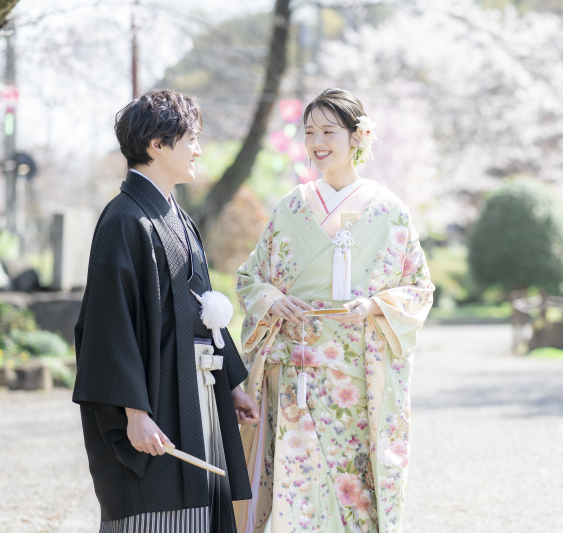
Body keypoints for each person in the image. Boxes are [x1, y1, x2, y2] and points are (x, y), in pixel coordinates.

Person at [234, 88, 434, 533]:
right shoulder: (291, 207)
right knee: (297, 485)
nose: (317, 141)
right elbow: (250, 278)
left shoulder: (390, 212)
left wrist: (375, 306)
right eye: (309, 132)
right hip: (296, 373)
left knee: (352, 490)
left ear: (357, 136)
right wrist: (273, 299)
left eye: (329, 131)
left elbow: (419, 289)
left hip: (358, 378)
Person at [72, 89, 260, 533]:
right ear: (157, 145)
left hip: (196, 388)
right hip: (155, 394)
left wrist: (228, 383)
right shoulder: (124, 220)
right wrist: (133, 412)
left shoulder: (176, 215)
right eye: (190, 138)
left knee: (199, 507)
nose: (198, 149)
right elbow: (107, 326)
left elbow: (199, 310)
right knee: (158, 507)